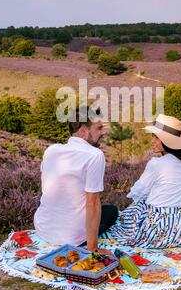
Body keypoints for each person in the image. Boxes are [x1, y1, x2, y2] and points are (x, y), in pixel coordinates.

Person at [103, 113, 181, 249]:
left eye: (156, 137)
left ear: (166, 141)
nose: (152, 140)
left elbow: (137, 193)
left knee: (125, 216)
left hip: (158, 229)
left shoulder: (156, 164)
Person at [34, 106, 118, 251]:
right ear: (83, 131)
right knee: (112, 211)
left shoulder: (51, 150)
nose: (103, 133)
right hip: (72, 238)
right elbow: (92, 203)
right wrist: (92, 250)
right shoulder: (94, 155)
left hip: (42, 229)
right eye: (98, 128)